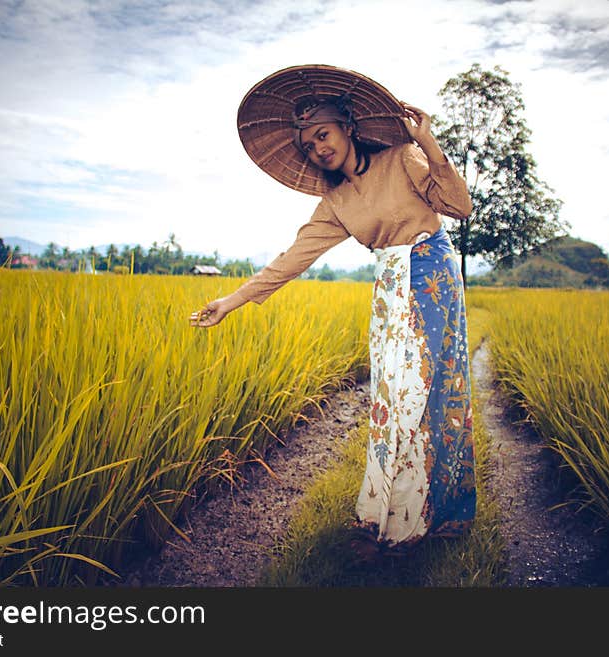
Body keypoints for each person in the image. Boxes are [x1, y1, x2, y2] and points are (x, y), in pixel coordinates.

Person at [190, 65, 477, 558]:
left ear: (346, 127)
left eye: (323, 134)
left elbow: (459, 205)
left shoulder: (400, 158)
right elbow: (292, 259)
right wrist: (231, 301)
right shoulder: (336, 202)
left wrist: (428, 144)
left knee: (432, 390)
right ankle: (381, 515)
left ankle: (448, 512)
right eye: (309, 145)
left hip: (432, 274)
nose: (319, 148)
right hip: (390, 288)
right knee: (391, 397)